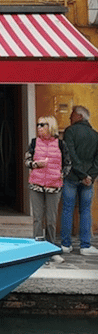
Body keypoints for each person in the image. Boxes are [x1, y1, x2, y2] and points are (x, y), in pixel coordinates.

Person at [24, 116, 70, 263]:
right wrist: (36, 164)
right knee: (38, 218)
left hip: (53, 186)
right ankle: (37, 249)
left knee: (51, 219)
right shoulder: (34, 143)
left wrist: (60, 175)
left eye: (42, 125)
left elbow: (68, 163)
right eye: (37, 124)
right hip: (36, 184)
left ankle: (51, 249)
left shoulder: (61, 144)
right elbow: (27, 161)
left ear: (51, 126)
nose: (39, 127)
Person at [60, 106, 98, 256]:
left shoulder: (70, 131)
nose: (70, 117)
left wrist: (82, 175)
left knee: (68, 209)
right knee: (85, 210)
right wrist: (90, 176)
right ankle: (85, 246)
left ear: (80, 117)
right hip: (88, 179)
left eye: (72, 115)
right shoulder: (96, 135)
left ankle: (65, 244)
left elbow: (70, 155)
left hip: (72, 177)